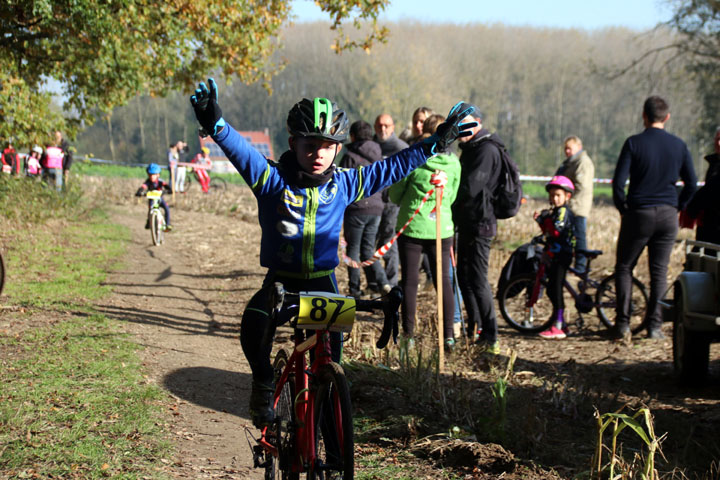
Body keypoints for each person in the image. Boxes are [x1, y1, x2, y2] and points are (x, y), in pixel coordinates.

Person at [189, 78, 475, 427]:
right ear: (293, 143)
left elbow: (392, 167)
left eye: (327, 146)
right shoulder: (270, 179)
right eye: (310, 145)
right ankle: (263, 382)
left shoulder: (344, 183)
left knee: (329, 368)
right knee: (254, 321)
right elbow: (239, 148)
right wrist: (215, 122)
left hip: (323, 282)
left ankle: (331, 436)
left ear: (338, 149)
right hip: (281, 281)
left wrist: (434, 143)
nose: (319, 154)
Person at [611, 95, 697, 340]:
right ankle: (655, 326)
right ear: (667, 117)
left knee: (625, 266)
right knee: (659, 271)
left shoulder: (633, 143)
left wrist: (623, 209)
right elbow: (691, 183)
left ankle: (623, 324)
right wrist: (678, 206)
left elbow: (618, 184)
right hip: (668, 213)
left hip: (639, 212)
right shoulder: (679, 145)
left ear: (643, 116)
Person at [389, 114, 461, 350]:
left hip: (413, 226)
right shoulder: (455, 163)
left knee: (410, 282)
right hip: (442, 227)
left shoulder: (415, 158)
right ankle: (449, 335)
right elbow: (453, 196)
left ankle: (409, 335)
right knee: (444, 283)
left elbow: (395, 194)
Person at [452, 106, 504, 354]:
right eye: (458, 125)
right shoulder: (472, 149)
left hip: (482, 224)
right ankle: (476, 329)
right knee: (464, 278)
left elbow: (470, 187)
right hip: (468, 222)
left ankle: (490, 335)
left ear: (478, 123)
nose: (462, 129)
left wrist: (449, 191)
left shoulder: (486, 150)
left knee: (478, 280)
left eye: (467, 124)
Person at [339, 120, 391, 297]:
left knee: (352, 250)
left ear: (353, 136)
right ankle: (382, 283)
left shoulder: (350, 157)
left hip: (356, 209)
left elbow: (342, 185)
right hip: (376, 209)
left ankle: (354, 289)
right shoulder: (378, 154)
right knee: (368, 250)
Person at [534, 176, 576, 339]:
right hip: (555, 253)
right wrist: (541, 222)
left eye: (558, 195)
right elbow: (548, 232)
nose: (554, 198)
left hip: (562, 255)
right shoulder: (555, 212)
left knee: (555, 288)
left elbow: (557, 231)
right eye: (552, 195)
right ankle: (562, 324)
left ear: (567, 196)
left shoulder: (563, 212)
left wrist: (546, 220)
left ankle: (558, 325)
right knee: (552, 288)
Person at [372, 113, 409, 289]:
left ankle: (391, 282)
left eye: (386, 125)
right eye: (379, 126)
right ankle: (375, 282)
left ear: (393, 127)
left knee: (388, 242)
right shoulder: (369, 147)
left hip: (392, 203)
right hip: (371, 202)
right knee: (369, 242)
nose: (383, 129)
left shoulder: (401, 148)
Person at [555, 135, 594, 272]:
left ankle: (581, 267)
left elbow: (581, 186)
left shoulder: (582, 163)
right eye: (565, 149)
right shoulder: (570, 162)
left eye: (569, 148)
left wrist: (567, 198)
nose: (567, 151)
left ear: (579, 147)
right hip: (570, 205)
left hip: (578, 206)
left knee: (579, 235)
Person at [684, 126, 720, 245]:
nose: (718, 143)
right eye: (717, 139)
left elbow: (710, 191)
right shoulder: (713, 164)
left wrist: (691, 208)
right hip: (709, 228)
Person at [135, 163, 173, 231]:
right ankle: (149, 221)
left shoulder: (160, 181)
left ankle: (167, 224)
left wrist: (169, 190)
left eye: (154, 175)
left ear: (158, 175)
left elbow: (167, 186)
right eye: (150, 175)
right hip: (151, 199)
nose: (152, 176)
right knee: (150, 210)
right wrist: (139, 192)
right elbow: (143, 187)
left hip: (159, 199)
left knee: (166, 208)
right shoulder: (148, 181)